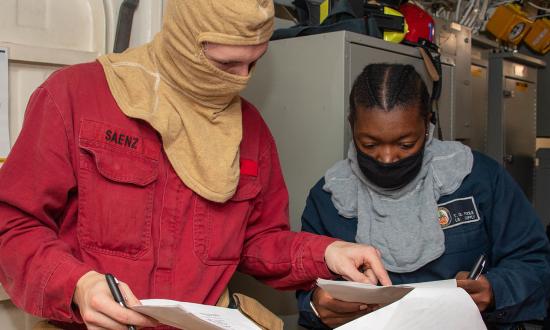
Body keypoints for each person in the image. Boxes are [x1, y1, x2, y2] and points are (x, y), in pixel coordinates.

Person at [0, 1, 392, 329]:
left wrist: (327, 253)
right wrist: (76, 285)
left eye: (254, 63)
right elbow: (13, 225)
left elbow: (256, 241)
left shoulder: (251, 130)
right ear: (187, 43)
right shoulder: (74, 96)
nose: (241, 80)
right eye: (227, 64)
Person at [296, 63, 550, 329]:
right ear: (352, 125)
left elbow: (534, 261)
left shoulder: (478, 179)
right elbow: (307, 287)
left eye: (405, 144)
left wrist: (496, 289)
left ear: (427, 125)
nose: (387, 158)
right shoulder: (328, 198)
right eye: (369, 144)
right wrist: (316, 305)